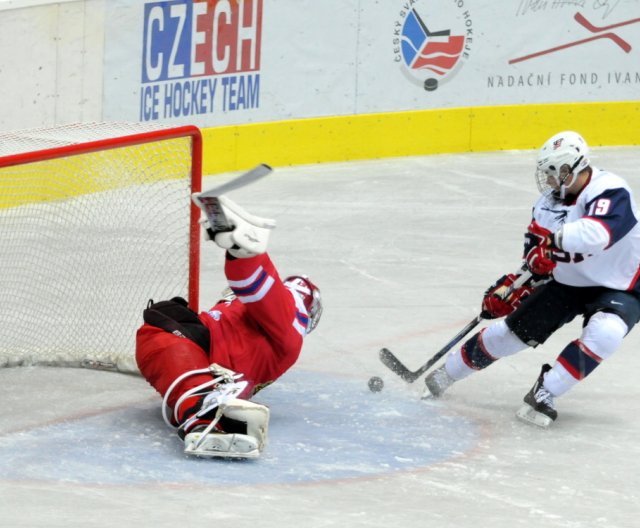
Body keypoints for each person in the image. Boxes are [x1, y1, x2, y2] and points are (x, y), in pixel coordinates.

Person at [423, 131, 640, 427]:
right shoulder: (546, 205)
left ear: (571, 168)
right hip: (568, 283)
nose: (549, 181)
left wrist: (554, 244)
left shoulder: (609, 189)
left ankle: (546, 391)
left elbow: (598, 235)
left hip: (621, 282)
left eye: (553, 173)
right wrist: (514, 285)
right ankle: (446, 373)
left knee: (607, 333)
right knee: (509, 336)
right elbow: (535, 260)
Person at [136, 193, 322, 458]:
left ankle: (204, 413)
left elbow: (258, 292)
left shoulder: (285, 319)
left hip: (175, 341)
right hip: (182, 339)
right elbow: (255, 290)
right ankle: (205, 409)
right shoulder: (286, 326)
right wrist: (242, 251)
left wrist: (239, 251)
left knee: (194, 392)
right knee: (195, 387)